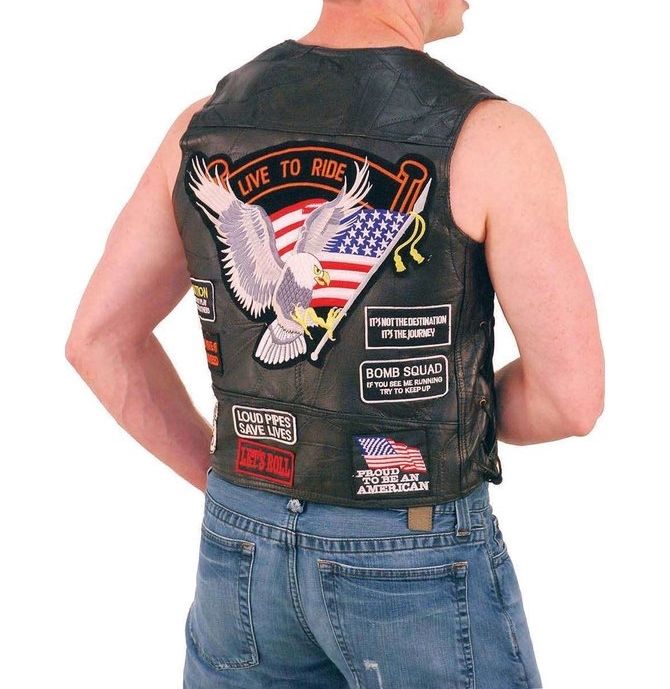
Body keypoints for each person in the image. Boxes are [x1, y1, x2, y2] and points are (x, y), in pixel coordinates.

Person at [65, 1, 605, 687]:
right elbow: (570, 400)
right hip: (412, 548)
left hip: (241, 540)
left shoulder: (199, 127)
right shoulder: (494, 138)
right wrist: (444, 419)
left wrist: (235, 486)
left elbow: (99, 340)